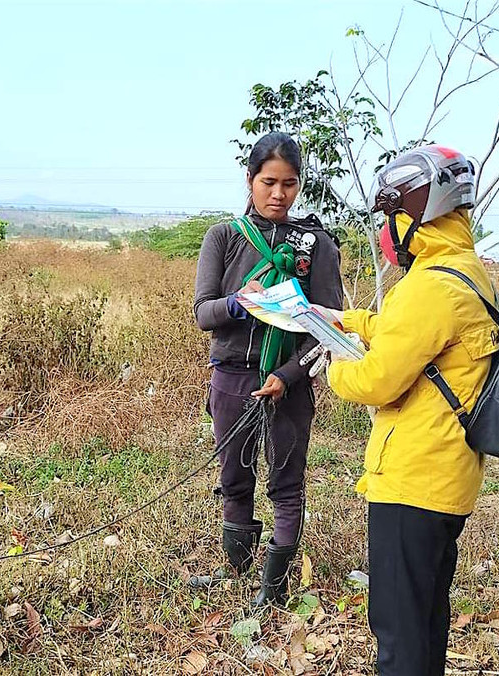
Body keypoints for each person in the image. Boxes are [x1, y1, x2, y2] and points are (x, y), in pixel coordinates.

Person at [326, 145, 499, 675]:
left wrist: (334, 363)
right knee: (425, 617)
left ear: (415, 215)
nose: (387, 231)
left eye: (391, 217)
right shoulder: (463, 270)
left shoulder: (426, 286)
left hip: (413, 480)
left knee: (398, 631)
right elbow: (415, 336)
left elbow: (377, 380)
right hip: (448, 476)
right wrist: (350, 320)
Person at [192, 131, 343, 607]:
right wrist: (238, 302)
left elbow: (328, 327)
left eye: (289, 184)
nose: (279, 194)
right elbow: (203, 313)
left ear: (300, 185)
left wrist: (289, 375)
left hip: (288, 384)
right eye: (269, 182)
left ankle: (273, 588)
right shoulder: (224, 237)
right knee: (234, 477)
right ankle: (235, 568)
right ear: (250, 180)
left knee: (286, 482)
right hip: (232, 377)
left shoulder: (316, 246)